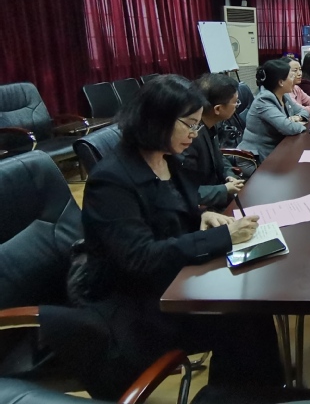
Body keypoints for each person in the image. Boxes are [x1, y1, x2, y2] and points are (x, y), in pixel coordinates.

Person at [42, 75, 281, 399]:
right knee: (241, 319)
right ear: (157, 121)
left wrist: (201, 216)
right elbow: (141, 256)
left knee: (249, 310)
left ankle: (255, 393)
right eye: (190, 125)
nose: (195, 133)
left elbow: (174, 211)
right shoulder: (111, 181)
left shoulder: (166, 159)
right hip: (136, 303)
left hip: (173, 279)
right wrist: (223, 237)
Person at [180, 73, 244, 211]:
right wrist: (224, 189)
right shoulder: (189, 138)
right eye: (235, 102)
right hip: (204, 209)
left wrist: (229, 175)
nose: (237, 106)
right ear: (218, 109)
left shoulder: (212, 124)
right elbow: (188, 191)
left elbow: (219, 156)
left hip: (218, 195)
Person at [239, 59, 309, 161]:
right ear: (281, 82)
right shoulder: (264, 100)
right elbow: (288, 128)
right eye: (291, 76)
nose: (293, 79)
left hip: (277, 149)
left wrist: (298, 117)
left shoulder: (283, 95)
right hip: (256, 157)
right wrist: (299, 124)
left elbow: (304, 112)